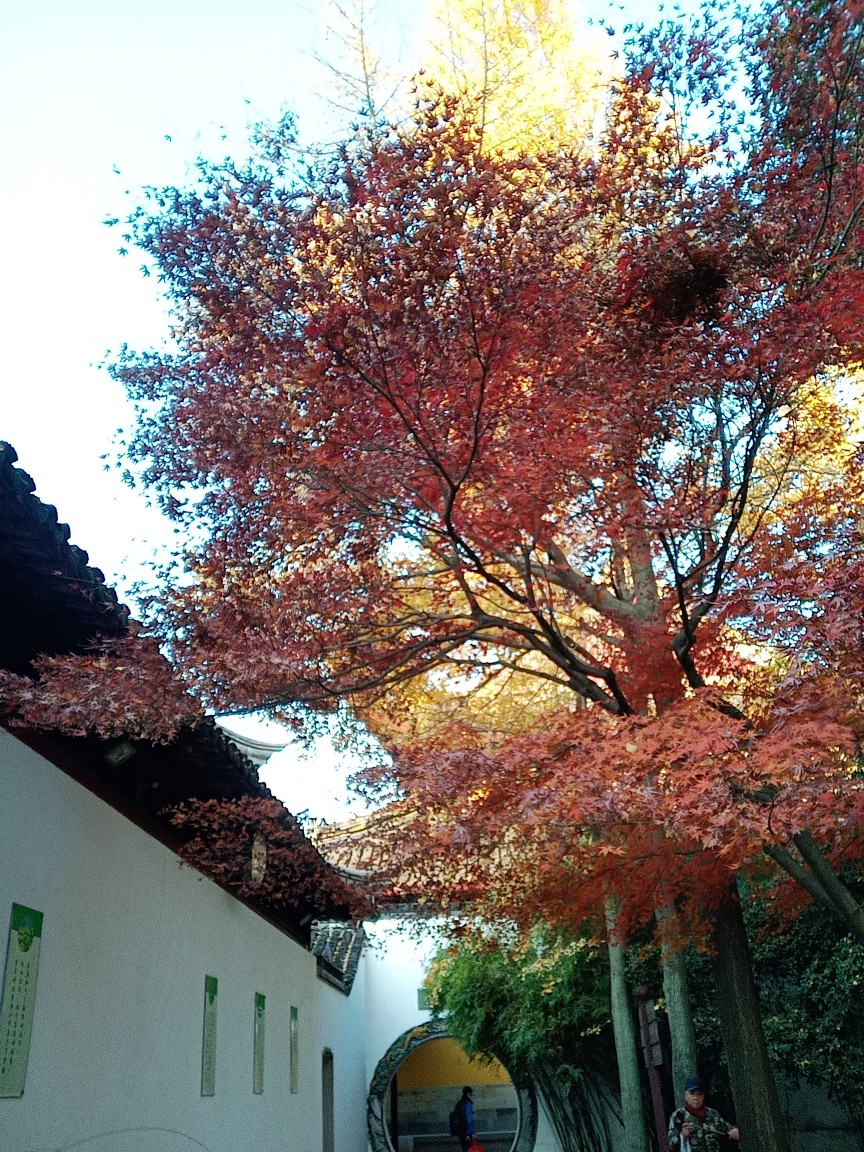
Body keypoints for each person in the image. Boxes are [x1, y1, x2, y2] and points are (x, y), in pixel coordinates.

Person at [668, 1076, 740, 1152]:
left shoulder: (713, 1114)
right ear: (686, 1095)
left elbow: (728, 1130)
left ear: (703, 1096)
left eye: (699, 1094)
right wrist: (683, 1136)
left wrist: (735, 1131)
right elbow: (672, 1145)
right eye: (692, 1094)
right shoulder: (678, 1115)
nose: (696, 1097)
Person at [454, 1085, 476, 1151]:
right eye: (471, 1094)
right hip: (467, 1133)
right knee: (469, 1149)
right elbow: (468, 1120)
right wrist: (471, 1133)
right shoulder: (468, 1104)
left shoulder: (459, 1103)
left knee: (464, 1149)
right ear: (469, 1093)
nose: (471, 1096)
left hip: (461, 1131)